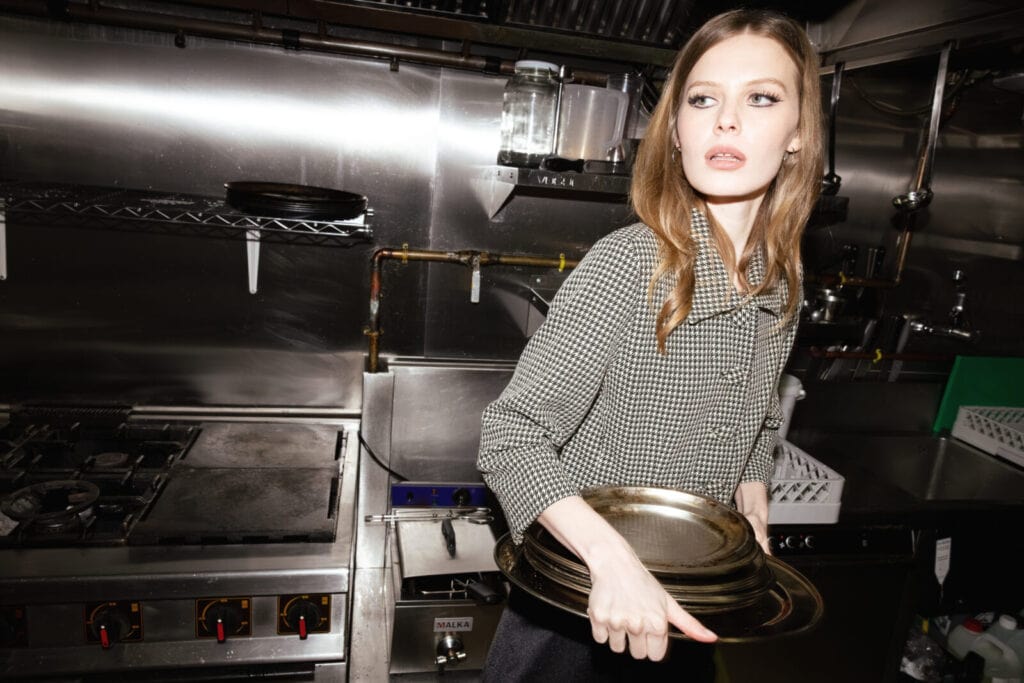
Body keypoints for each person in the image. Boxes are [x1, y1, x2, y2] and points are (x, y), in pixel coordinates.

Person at [477, 8, 823, 682]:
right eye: (703, 99)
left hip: (691, 596)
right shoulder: (630, 265)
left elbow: (760, 411)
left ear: (798, 137)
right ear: (677, 132)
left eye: (760, 98)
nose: (726, 120)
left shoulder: (782, 282)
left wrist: (752, 487)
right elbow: (509, 435)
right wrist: (612, 563)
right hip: (580, 606)